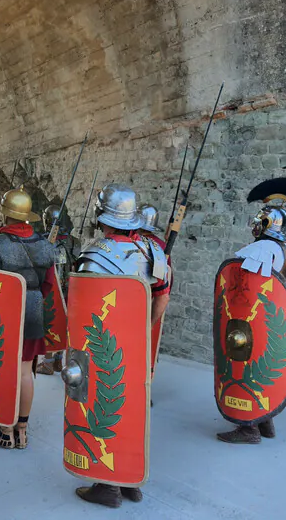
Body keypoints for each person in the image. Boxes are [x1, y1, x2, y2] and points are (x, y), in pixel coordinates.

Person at [72, 184, 169, 508]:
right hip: (137, 344)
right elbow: (163, 295)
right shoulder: (151, 251)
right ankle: (130, 481)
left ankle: (107, 486)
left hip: (103, 349)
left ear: (103, 217)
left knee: (103, 404)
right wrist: (145, 329)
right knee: (132, 407)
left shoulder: (94, 256)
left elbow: (83, 311)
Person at [215, 177, 286, 444]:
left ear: (268, 224)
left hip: (251, 324)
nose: (255, 224)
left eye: (260, 219)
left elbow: (241, 287)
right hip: (274, 325)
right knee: (264, 370)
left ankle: (249, 429)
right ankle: (265, 420)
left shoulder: (260, 249)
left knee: (246, 369)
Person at [0, 187, 56, 449]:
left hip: (3, 316)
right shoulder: (45, 246)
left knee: (2, 368)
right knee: (25, 372)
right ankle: (22, 430)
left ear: (5, 214)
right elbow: (49, 285)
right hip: (33, 312)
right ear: (27, 216)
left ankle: (5, 430)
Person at [37, 204, 81, 375]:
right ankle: (58, 360)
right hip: (70, 289)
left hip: (52, 288)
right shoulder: (73, 242)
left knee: (50, 321)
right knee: (65, 323)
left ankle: (48, 362)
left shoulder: (43, 242)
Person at [137, 204, 172, 382]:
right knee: (148, 352)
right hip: (154, 301)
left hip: (140, 304)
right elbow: (168, 283)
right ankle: (145, 389)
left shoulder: (134, 243)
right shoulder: (161, 246)